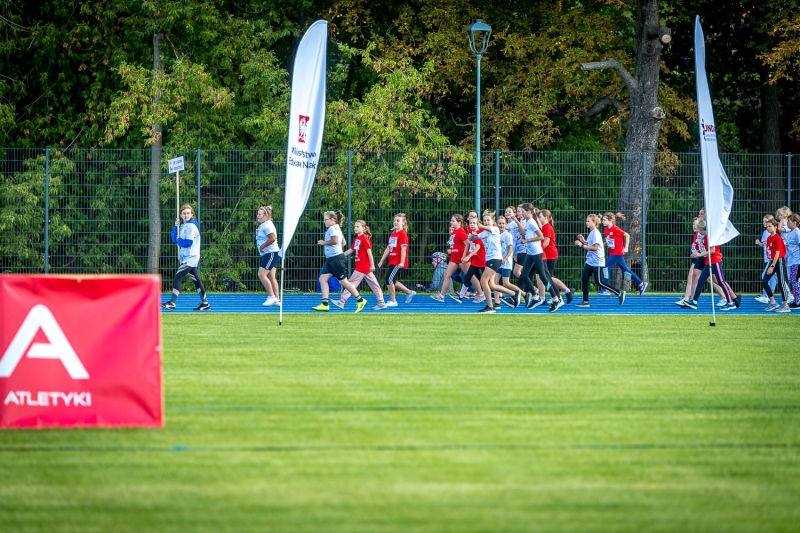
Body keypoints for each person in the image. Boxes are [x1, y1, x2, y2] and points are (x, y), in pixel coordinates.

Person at [312, 210, 367, 312]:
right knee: (323, 279)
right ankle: (325, 304)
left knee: (344, 282)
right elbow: (344, 242)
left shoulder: (332, 228)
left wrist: (323, 242)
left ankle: (360, 300)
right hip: (331, 259)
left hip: (336, 259)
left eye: (325, 220)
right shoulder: (336, 228)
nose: (324, 221)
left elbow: (335, 241)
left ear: (332, 219)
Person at [680, 219, 740, 310]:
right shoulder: (704, 236)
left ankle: (730, 302)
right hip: (708, 262)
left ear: (701, 229)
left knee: (721, 281)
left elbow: (712, 250)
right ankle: (694, 302)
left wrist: (700, 254)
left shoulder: (710, 236)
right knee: (701, 281)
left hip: (715, 261)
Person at [161, 204, 210, 311]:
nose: (186, 215)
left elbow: (188, 243)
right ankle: (205, 303)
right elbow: (174, 238)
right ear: (180, 215)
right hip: (186, 257)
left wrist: (179, 240)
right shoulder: (183, 226)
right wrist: (176, 226)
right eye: (184, 213)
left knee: (178, 277)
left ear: (192, 214)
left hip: (191, 257)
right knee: (196, 280)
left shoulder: (192, 226)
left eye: (188, 213)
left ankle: (172, 303)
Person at [471, 210, 519, 313]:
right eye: (484, 220)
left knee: (483, 281)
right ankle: (514, 293)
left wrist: (478, 224)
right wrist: (471, 235)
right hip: (489, 260)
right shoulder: (484, 233)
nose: (486, 222)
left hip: (495, 258)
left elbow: (483, 228)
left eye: (488, 220)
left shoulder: (495, 229)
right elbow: (475, 237)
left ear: (493, 221)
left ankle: (490, 306)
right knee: (492, 285)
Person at [334, 220, 387, 311]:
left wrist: (372, 265)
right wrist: (340, 256)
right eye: (355, 226)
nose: (356, 228)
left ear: (363, 228)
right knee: (374, 284)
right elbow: (350, 250)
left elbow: (369, 253)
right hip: (362, 266)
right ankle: (381, 302)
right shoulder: (357, 239)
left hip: (363, 266)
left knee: (350, 283)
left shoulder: (364, 238)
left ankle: (342, 301)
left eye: (358, 226)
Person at [574, 213, 624, 308]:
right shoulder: (592, 232)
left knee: (599, 282)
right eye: (586, 221)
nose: (586, 223)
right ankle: (585, 301)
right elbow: (591, 244)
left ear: (594, 222)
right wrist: (584, 241)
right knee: (584, 279)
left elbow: (595, 248)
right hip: (590, 260)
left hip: (597, 261)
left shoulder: (596, 232)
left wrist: (582, 245)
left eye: (588, 221)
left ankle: (619, 293)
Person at [517, 204, 561, 311]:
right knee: (523, 275)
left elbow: (540, 236)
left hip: (537, 253)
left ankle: (556, 299)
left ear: (528, 211)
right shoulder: (527, 222)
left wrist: (527, 240)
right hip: (531, 253)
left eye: (523, 211)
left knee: (543, 276)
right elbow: (525, 233)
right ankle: (535, 296)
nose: (521, 213)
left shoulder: (532, 222)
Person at [601, 212, 648, 295]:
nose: (602, 222)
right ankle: (641, 283)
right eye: (602, 220)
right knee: (625, 270)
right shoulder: (606, 229)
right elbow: (611, 240)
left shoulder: (616, 229)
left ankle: (606, 289)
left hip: (618, 252)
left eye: (604, 220)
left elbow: (627, 235)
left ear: (610, 220)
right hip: (613, 252)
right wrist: (605, 243)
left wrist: (626, 247)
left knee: (605, 268)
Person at [377, 212, 416, 307]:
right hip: (392, 260)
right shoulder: (393, 235)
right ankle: (409, 292)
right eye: (394, 220)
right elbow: (388, 248)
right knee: (392, 280)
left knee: (389, 279)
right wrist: (381, 260)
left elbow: (403, 249)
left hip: (398, 261)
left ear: (403, 223)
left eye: (398, 220)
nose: (395, 222)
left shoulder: (402, 234)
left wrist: (402, 262)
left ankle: (393, 300)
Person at [431, 214, 470, 303]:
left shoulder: (461, 232)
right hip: (454, 258)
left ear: (459, 222)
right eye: (451, 220)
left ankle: (480, 293)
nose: (451, 222)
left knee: (469, 275)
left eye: (453, 221)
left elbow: (467, 243)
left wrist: (464, 256)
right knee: (447, 275)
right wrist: (452, 249)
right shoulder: (455, 232)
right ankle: (441, 296)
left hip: (461, 258)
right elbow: (456, 244)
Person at [538, 209, 572, 304]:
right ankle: (563, 293)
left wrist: (537, 251)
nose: (538, 218)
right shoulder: (544, 227)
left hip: (549, 256)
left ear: (545, 217)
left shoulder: (547, 227)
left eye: (540, 217)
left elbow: (546, 243)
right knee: (547, 277)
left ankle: (560, 295)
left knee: (548, 278)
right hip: (547, 255)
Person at [761, 217, 793, 313]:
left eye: (770, 226)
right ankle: (773, 302)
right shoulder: (769, 238)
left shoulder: (777, 238)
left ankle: (785, 305)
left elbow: (777, 253)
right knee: (764, 281)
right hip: (772, 261)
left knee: (782, 283)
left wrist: (772, 266)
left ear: (775, 227)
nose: (768, 228)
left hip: (778, 261)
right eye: (767, 227)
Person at [255, 205, 280, 307]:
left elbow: (272, 238)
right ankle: (277, 299)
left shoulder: (267, 225)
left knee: (261, 274)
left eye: (260, 214)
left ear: (265, 216)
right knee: (271, 276)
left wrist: (262, 246)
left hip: (271, 253)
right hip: (270, 253)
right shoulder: (264, 225)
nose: (258, 216)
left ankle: (271, 297)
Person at [496, 215, 522, 308]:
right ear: (496, 224)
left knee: (506, 283)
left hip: (506, 262)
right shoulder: (496, 234)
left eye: (503, 223)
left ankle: (521, 293)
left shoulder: (508, 235)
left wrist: (505, 258)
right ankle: (497, 302)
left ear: (506, 224)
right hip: (498, 261)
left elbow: (510, 248)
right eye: (499, 223)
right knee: (495, 281)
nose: (501, 225)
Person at [461, 217, 487, 304]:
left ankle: (498, 295)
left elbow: (477, 247)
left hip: (482, 260)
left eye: (474, 223)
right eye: (470, 223)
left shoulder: (479, 233)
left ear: (478, 224)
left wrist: (468, 257)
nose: (472, 224)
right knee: (468, 276)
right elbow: (469, 246)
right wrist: (466, 256)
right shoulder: (471, 234)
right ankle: (461, 296)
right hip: (475, 260)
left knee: (488, 281)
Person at [755, 215, 779, 303]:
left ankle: (767, 295)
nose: (764, 223)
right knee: (775, 278)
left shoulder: (773, 234)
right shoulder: (766, 233)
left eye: (766, 222)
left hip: (773, 259)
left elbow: (775, 248)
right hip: (768, 257)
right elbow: (766, 245)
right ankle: (768, 295)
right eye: (764, 222)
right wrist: (760, 243)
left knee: (767, 276)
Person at [785, 214, 800, 308]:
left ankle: (797, 301)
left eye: (789, 221)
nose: (787, 222)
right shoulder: (791, 232)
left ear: (795, 222)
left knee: (794, 281)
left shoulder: (797, 232)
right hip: (791, 260)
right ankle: (797, 299)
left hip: (797, 260)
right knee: (792, 280)